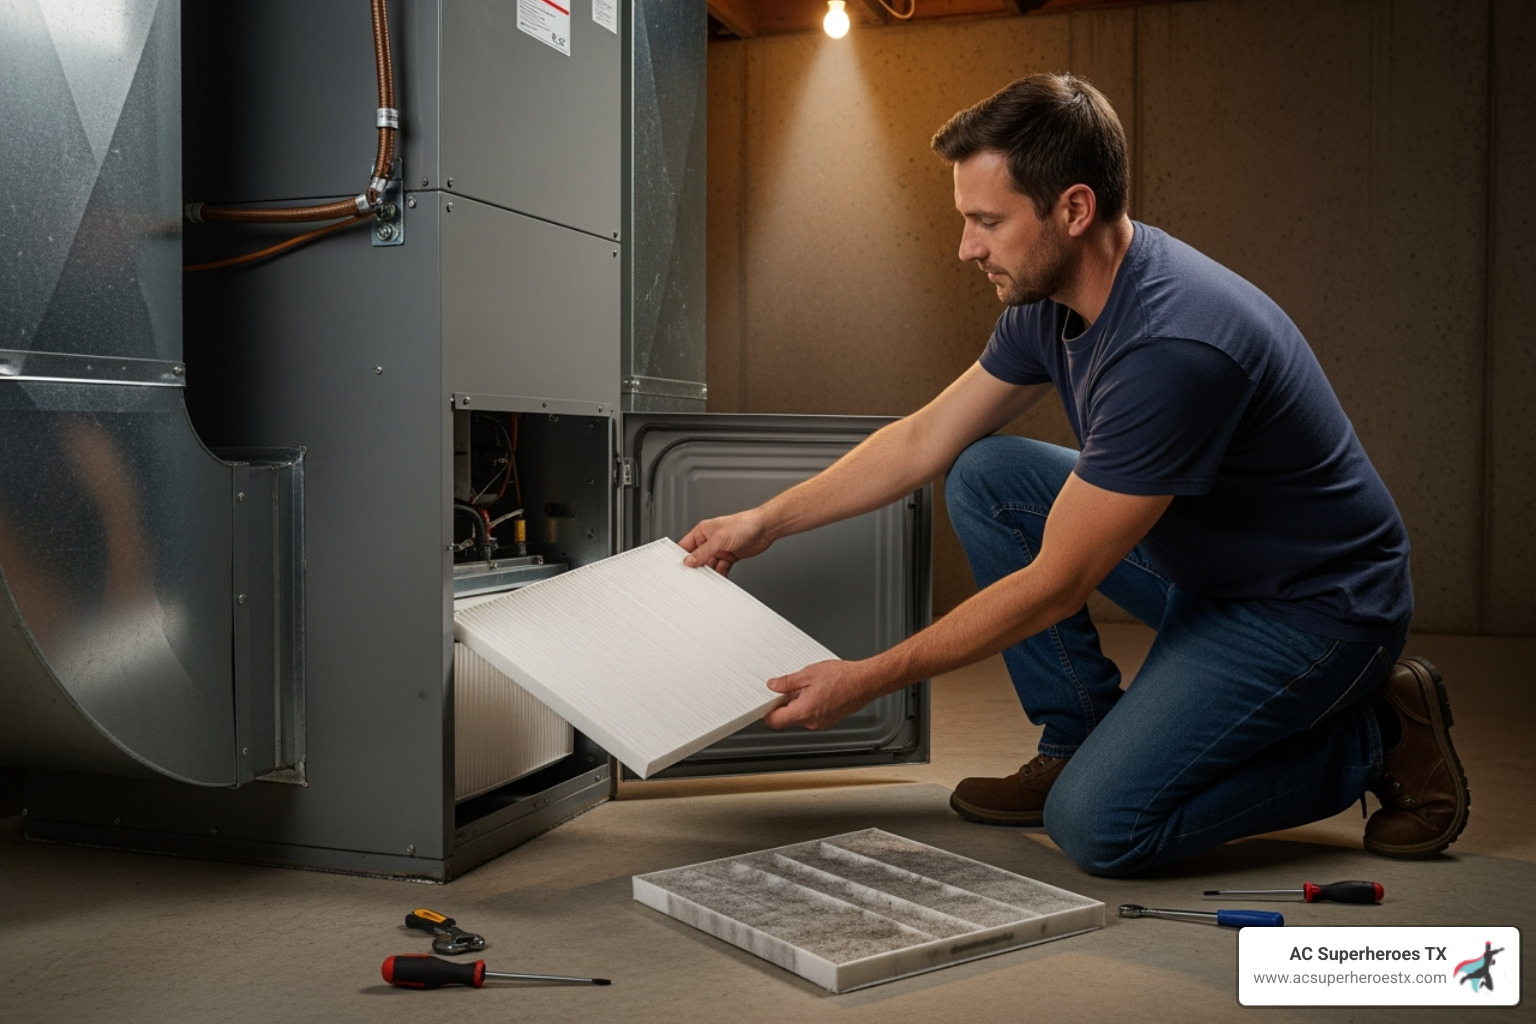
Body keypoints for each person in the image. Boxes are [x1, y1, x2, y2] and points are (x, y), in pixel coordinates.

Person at [679, 74, 1469, 876]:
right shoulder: (1052, 299)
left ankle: (1371, 739)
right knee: (988, 474)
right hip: (1211, 568)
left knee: (1099, 826)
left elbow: (1058, 585)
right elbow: (924, 439)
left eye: (987, 221)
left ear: (1074, 209)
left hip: (1312, 612)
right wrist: (762, 523)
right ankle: (1078, 735)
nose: (966, 247)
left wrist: (867, 678)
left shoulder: (1171, 348)